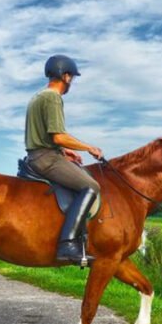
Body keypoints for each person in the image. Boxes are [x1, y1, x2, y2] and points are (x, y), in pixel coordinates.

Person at [25, 55, 103, 264]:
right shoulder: (53, 97)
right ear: (65, 76)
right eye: (72, 78)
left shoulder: (37, 97)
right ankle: (68, 244)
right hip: (46, 158)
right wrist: (89, 147)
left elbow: (47, 137)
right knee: (91, 186)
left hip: (39, 153)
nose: (71, 83)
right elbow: (58, 135)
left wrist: (64, 151)